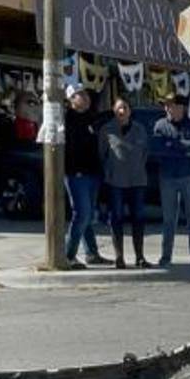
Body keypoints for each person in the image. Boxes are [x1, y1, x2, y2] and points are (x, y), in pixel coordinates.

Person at [152, 93, 190, 266]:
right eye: (166, 106)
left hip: (189, 176)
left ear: (181, 107)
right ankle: (165, 256)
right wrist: (183, 148)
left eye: (171, 105)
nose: (167, 108)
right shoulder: (160, 125)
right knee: (168, 220)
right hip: (167, 178)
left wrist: (175, 144)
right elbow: (158, 150)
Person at [63, 84, 112, 269]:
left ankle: (92, 254)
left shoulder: (92, 118)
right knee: (81, 214)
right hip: (76, 173)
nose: (85, 97)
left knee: (89, 215)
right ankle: (68, 255)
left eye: (86, 94)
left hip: (93, 172)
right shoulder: (66, 119)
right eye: (80, 94)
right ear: (71, 99)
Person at [99, 98, 151, 269]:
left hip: (137, 180)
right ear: (114, 110)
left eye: (125, 107)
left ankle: (140, 257)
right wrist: (110, 172)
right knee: (117, 218)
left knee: (138, 218)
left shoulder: (140, 129)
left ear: (130, 110)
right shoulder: (107, 130)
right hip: (116, 182)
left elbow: (145, 153)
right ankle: (119, 257)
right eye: (119, 108)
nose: (123, 111)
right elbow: (102, 155)